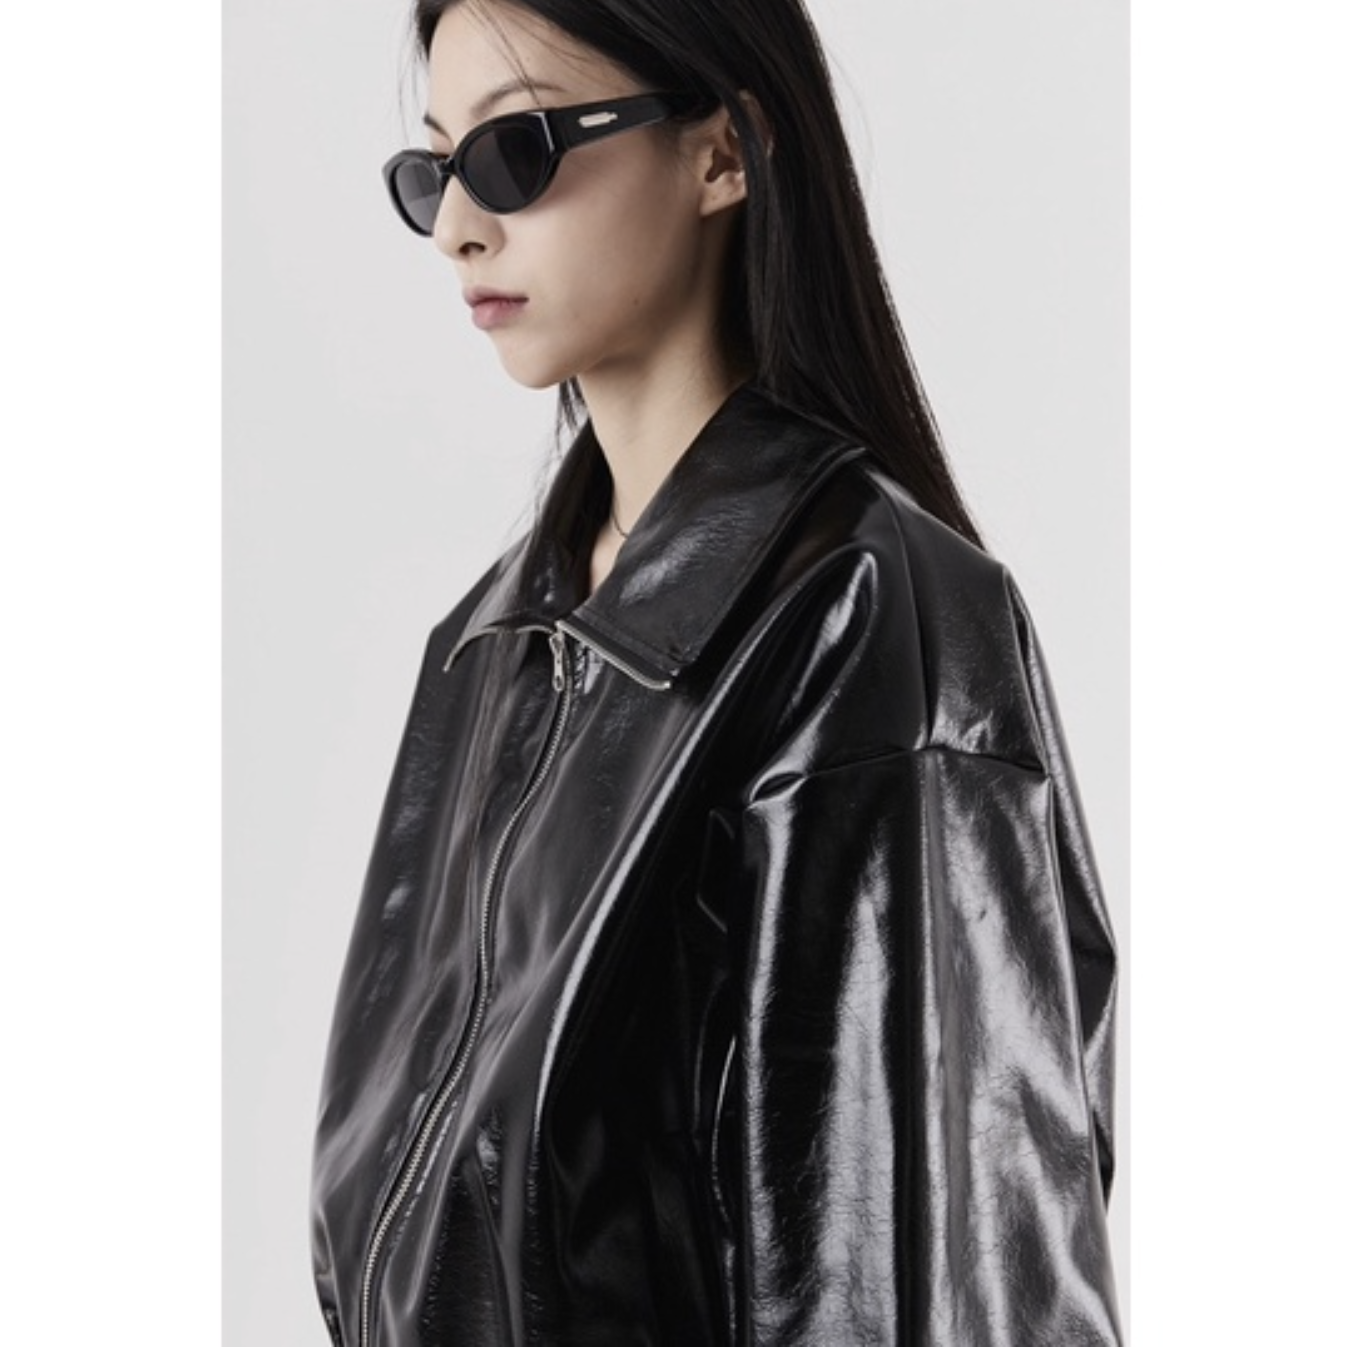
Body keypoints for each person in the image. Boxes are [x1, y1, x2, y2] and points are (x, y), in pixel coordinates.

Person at [310, 0, 1123, 1343]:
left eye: (516, 151)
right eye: (434, 169)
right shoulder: (488, 649)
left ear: (722, 152)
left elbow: (907, 1289)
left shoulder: (867, 616)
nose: (458, 225)